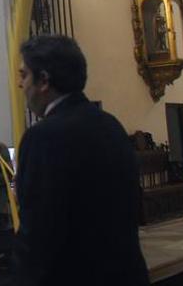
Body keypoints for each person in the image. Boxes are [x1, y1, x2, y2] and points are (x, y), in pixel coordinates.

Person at [14, 35, 149, 286]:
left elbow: (39, 235)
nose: (20, 84)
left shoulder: (42, 137)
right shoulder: (110, 124)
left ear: (44, 80)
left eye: (24, 75)